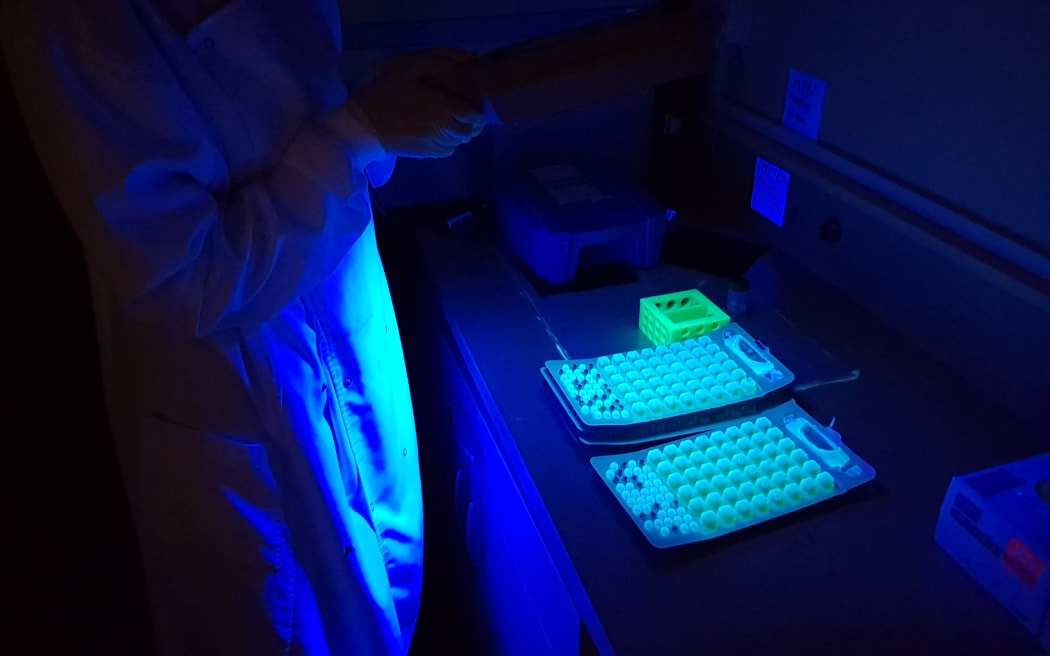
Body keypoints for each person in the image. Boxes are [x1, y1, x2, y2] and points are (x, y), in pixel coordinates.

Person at [1, 1, 486, 654]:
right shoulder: (69, 22)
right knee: (289, 626)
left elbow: (281, 99)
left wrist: (378, 96)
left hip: (342, 334)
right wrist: (361, 131)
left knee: (379, 614)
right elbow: (186, 277)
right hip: (238, 404)